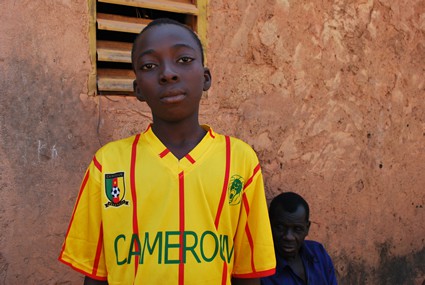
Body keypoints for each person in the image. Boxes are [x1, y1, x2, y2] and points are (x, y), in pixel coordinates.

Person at [58, 18, 276, 285]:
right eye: (149, 66)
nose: (168, 73)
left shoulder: (241, 161)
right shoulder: (108, 165)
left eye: (183, 60)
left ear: (205, 78)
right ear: (138, 89)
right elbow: (95, 276)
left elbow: (247, 273)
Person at [261, 192, 338, 285]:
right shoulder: (261, 269)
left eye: (297, 229)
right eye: (280, 227)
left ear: (307, 228)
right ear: (268, 225)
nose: (288, 237)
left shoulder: (318, 253)